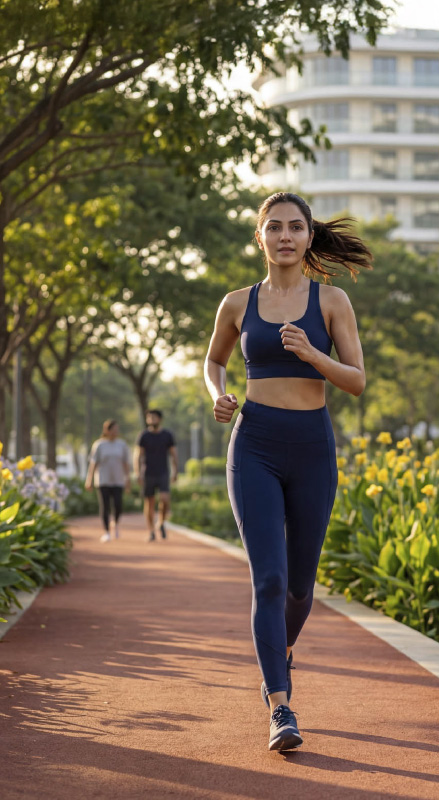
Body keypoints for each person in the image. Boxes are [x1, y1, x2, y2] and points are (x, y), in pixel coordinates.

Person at [203, 191, 371, 752]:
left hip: (311, 448)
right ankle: (280, 704)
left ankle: (280, 648)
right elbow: (214, 361)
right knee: (269, 580)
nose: (285, 237)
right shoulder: (236, 303)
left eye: (295, 228)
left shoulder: (332, 302)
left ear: (308, 237)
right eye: (273, 228)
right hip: (253, 444)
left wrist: (313, 356)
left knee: (301, 585)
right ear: (260, 238)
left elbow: (356, 380)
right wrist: (218, 395)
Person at [84, 419, 132, 543]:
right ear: (107, 430)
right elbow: (93, 464)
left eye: (117, 429)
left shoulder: (122, 444)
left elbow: (126, 463)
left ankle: (114, 523)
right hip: (102, 480)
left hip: (118, 480)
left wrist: (128, 479)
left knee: (118, 505)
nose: (116, 431)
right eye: (114, 429)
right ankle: (106, 531)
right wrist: (89, 480)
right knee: (105, 506)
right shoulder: (99, 445)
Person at [135, 409, 178, 542]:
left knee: (165, 499)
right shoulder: (143, 436)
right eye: (149, 418)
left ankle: (160, 522)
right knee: (149, 502)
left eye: (153, 417)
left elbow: (173, 454)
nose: (151, 420)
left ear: (159, 419)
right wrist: (138, 473)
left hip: (163, 472)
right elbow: (138, 455)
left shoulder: (167, 435)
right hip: (148, 473)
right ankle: (151, 531)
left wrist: (175, 471)